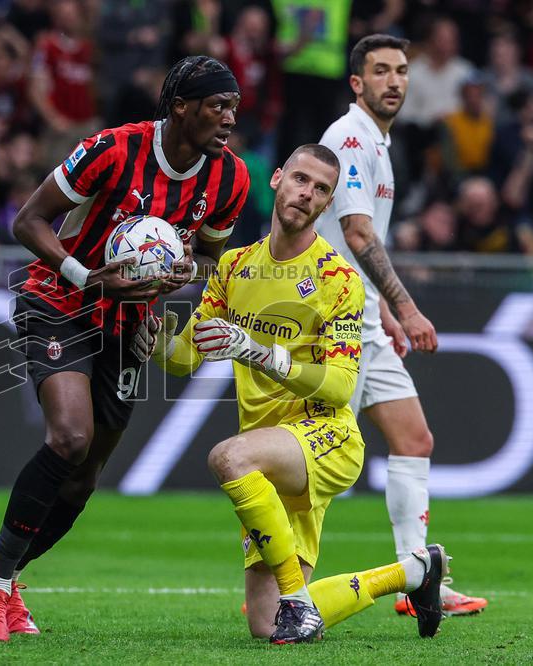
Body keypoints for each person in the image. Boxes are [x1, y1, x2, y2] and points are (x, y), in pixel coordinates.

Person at [0, 55, 250, 642]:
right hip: (62, 299)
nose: (228, 119)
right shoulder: (113, 149)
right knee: (69, 436)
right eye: (217, 106)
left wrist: (179, 278)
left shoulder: (230, 178)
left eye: (234, 109)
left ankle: (7, 578)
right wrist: (87, 276)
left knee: (85, 476)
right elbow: (28, 221)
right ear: (181, 107)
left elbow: (206, 258)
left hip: (131, 322)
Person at [137, 143, 447, 644]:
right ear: (278, 179)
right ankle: (414, 574)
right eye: (301, 180)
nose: (308, 193)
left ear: (327, 206)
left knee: (228, 458)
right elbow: (185, 358)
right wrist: (151, 343)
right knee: (266, 627)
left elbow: (343, 386)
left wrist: (259, 352)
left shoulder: (338, 279)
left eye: (322, 189)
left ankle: (299, 601)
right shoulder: (233, 267)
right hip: (270, 455)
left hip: (325, 437)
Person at [315, 34, 488, 617]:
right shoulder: (348, 138)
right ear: (357, 83)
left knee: (415, 441)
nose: (395, 81)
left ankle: (420, 582)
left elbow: (357, 241)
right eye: (381, 71)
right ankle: (277, 586)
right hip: (332, 322)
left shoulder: (381, 145)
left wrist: (384, 313)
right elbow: (358, 235)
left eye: (402, 71)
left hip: (365, 317)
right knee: (318, 462)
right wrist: (407, 308)